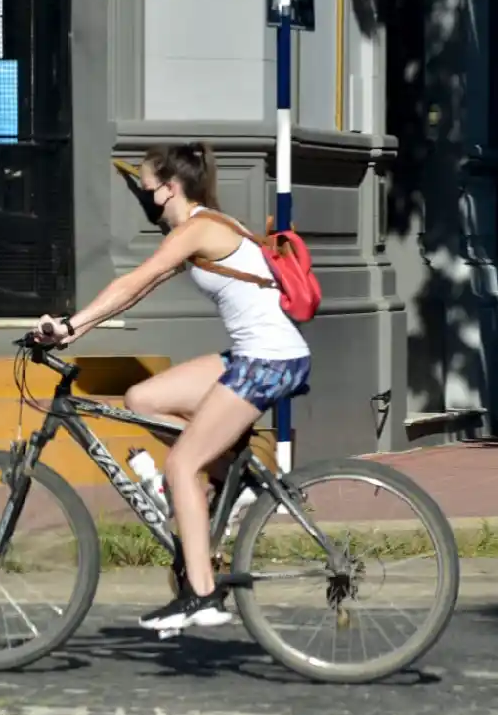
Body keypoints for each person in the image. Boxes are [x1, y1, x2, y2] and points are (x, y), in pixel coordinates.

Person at [33, 141, 311, 632]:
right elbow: (137, 291)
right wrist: (74, 331)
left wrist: (70, 325)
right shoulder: (200, 228)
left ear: (168, 188)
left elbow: (133, 280)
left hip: (269, 360)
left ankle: (202, 596)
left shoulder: (199, 228)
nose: (142, 196)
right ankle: (238, 480)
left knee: (182, 465)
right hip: (256, 356)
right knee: (143, 399)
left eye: (144, 187)